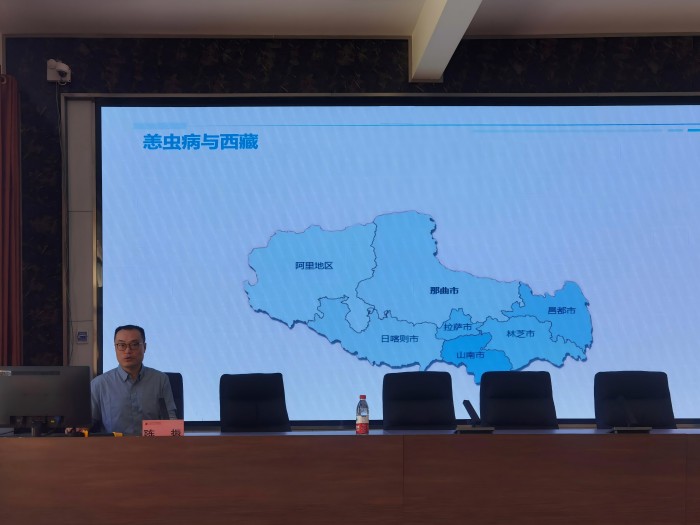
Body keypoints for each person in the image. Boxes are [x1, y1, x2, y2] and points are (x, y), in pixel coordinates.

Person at [90, 324, 177, 435]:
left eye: (134, 344)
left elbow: (170, 420)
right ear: (115, 348)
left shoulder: (160, 380)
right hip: (114, 445)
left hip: (152, 444)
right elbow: (87, 423)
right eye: (121, 345)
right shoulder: (99, 384)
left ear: (144, 347)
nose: (127, 350)